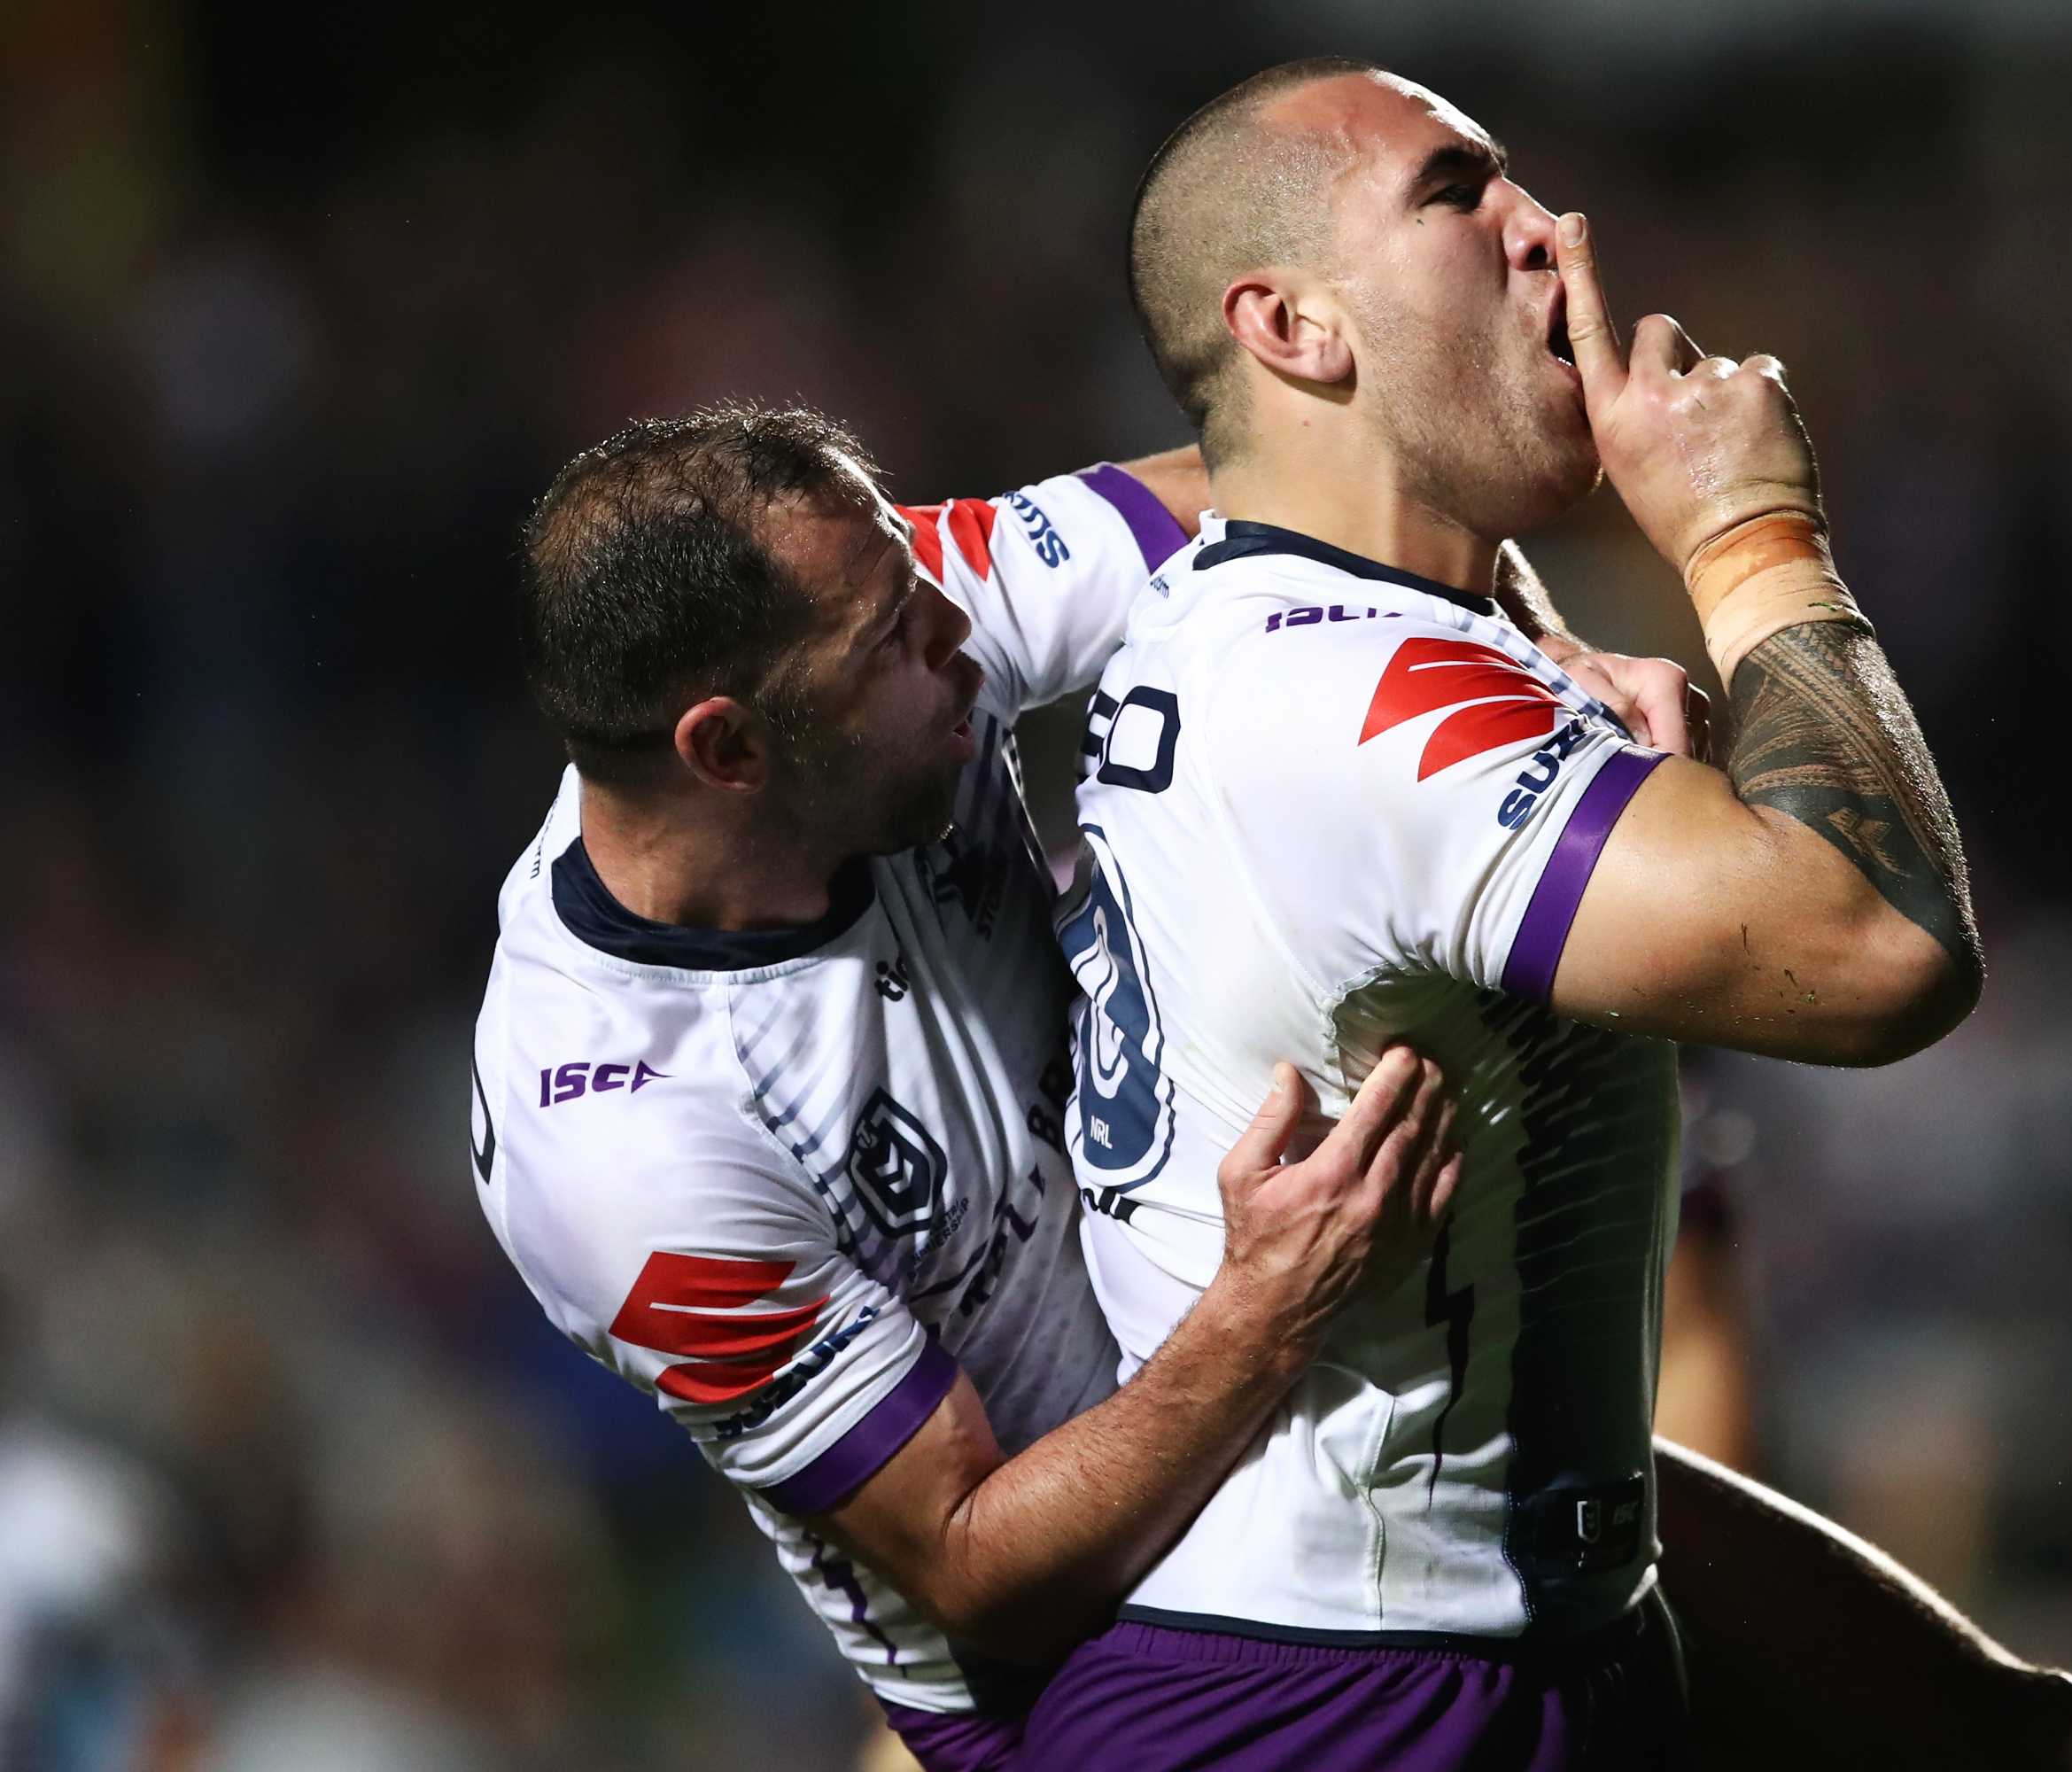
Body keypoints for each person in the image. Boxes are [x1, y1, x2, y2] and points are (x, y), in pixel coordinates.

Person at [1027, 59, 2072, 1769]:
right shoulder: (1371, 701)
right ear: (1294, 326)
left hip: (1458, 1610)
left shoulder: (1248, 618)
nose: (1548, 229)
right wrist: (1748, 533)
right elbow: (1882, 950)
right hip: (1349, 1695)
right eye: (1455, 195)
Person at [469, 407, 1477, 1771]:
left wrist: (1543, 672)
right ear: (729, 751)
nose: (960, 629)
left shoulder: (878, 607)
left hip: (1299, 1457)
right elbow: (976, 1569)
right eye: (890, 642)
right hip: (1095, 1678)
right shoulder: (623, 1146)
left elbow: (1308, 490)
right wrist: (1263, 1308)